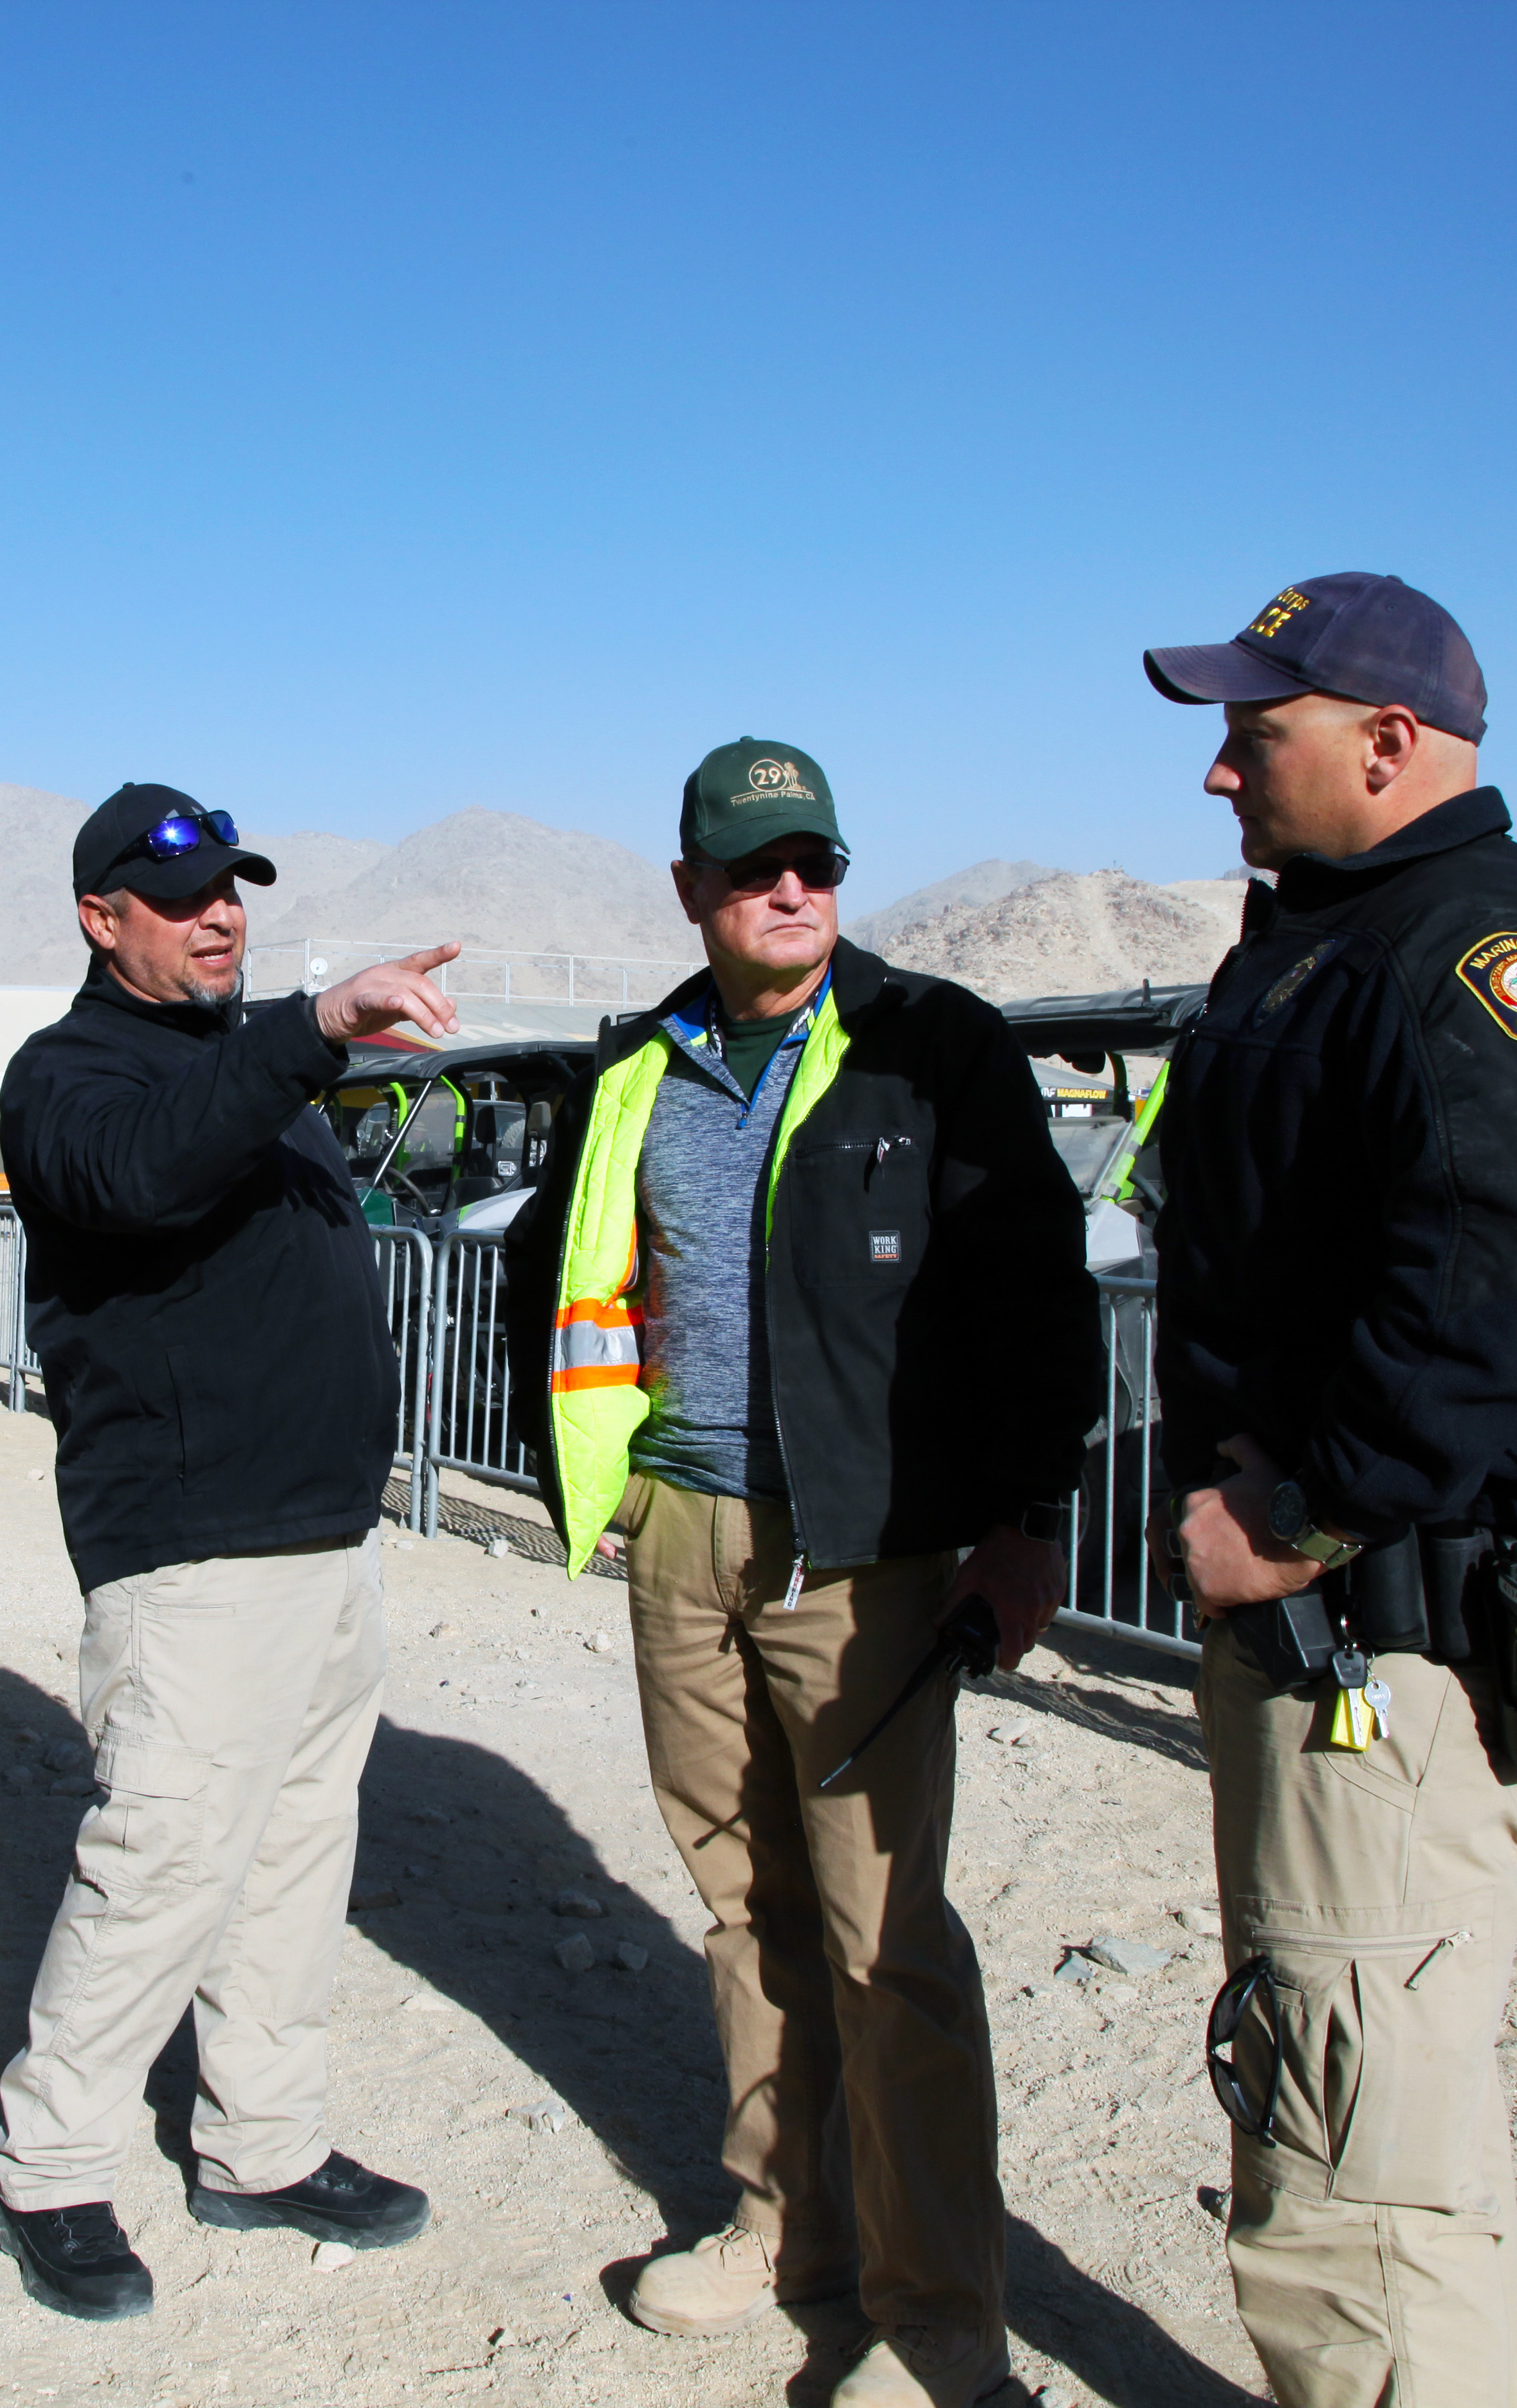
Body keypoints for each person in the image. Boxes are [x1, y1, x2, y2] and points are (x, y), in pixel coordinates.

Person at [497, 740, 1097, 2408]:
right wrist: (599, 1491)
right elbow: (559, 1275)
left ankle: (939, 2321)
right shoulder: (636, 1068)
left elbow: (1037, 1292)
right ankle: (783, 2231)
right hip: (678, 1545)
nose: (793, 890)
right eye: (759, 866)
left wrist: (1025, 1517)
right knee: (740, 1907)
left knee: (884, 1934)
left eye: (818, 864)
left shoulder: (931, 1049)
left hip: (863, 1558)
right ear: (693, 887)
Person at [1139, 576, 1517, 2408]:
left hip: (1403, 1647)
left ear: (1388, 743)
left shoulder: (1483, 962)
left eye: (1252, 733)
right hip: (1344, 1640)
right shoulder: (1335, 942)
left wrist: (1298, 1515)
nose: (1218, 774)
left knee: (1347, 2183)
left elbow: (1498, 1305)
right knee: (1391, 2146)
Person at [0, 781, 455, 2322]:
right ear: (98, 916)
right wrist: (310, 1028)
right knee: (165, 1861)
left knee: (293, 1860)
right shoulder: (70, 1074)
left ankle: (260, 2140)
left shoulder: (248, 1077)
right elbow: (139, 1174)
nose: (219, 915)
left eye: (232, 890)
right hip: (193, 1552)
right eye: (179, 896)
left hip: (322, 1543)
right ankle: (48, 2162)